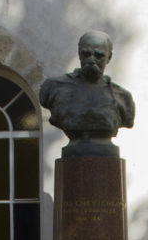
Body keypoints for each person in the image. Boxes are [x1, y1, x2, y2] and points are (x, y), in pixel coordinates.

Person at [38, 30, 136, 158]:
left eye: (99, 56)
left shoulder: (122, 97)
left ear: (109, 58)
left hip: (107, 154)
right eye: (86, 54)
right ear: (79, 54)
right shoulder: (55, 88)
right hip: (73, 155)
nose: (91, 60)